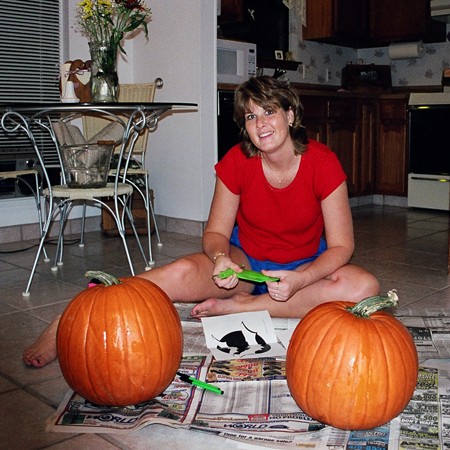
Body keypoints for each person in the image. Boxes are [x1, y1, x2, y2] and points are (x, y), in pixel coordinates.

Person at [23, 76, 379, 368]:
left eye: (268, 112)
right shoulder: (237, 161)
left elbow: (342, 246)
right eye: (251, 117)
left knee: (363, 286)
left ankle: (249, 308)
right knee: (176, 272)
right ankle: (67, 320)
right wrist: (221, 259)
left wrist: (302, 277)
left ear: (289, 115)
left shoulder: (323, 162)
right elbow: (215, 233)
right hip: (244, 266)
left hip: (302, 269)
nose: (261, 124)